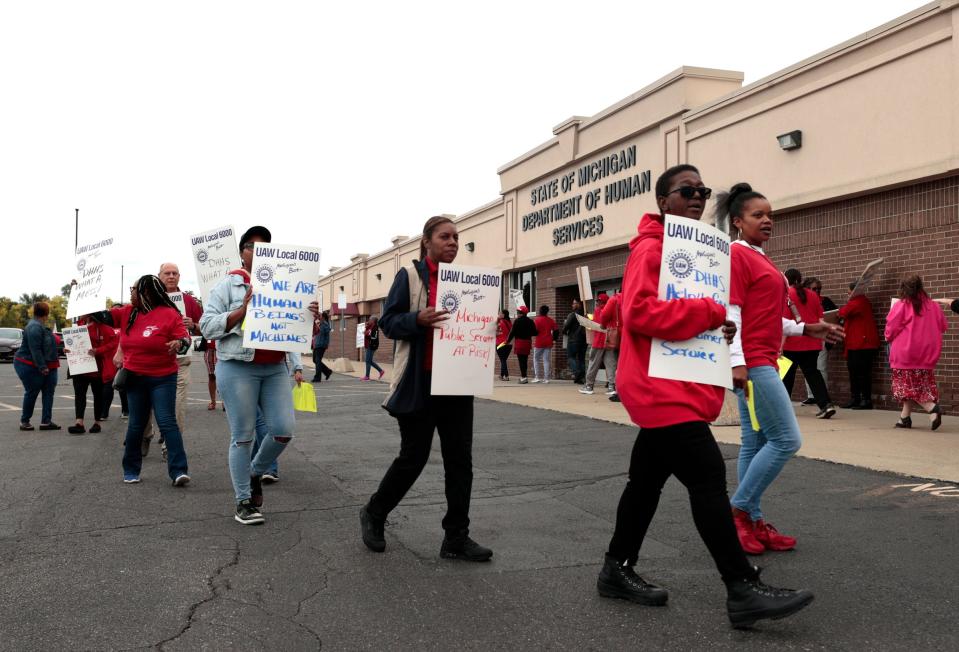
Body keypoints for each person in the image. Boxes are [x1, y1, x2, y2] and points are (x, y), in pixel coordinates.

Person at [599, 165, 813, 629]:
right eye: (686, 190)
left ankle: (615, 569)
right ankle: (741, 588)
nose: (697, 196)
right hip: (659, 387)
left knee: (645, 483)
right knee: (707, 477)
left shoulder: (691, 252)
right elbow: (638, 312)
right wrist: (709, 312)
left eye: (702, 190)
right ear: (664, 201)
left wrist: (719, 325)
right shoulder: (653, 248)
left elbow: (694, 312)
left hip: (677, 382)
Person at [359, 215, 492, 562]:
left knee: (460, 461)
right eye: (445, 236)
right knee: (413, 458)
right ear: (426, 241)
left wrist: (484, 331)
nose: (452, 242)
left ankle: (456, 537)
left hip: (457, 382)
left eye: (456, 238)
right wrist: (415, 320)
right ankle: (374, 512)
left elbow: (474, 325)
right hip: (421, 383)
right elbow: (388, 322)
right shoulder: (411, 276)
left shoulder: (467, 282)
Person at [722, 183, 844, 556]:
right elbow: (732, 313)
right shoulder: (737, 255)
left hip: (763, 357)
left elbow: (768, 318)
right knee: (787, 440)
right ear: (738, 221)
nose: (768, 220)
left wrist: (807, 327)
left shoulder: (760, 256)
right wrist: (737, 362)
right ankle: (738, 514)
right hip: (755, 364)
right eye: (758, 215)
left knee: (756, 442)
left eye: (770, 214)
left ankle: (752, 519)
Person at [199, 225, 320, 525]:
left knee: (283, 429)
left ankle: (254, 472)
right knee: (242, 436)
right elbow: (206, 326)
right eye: (253, 246)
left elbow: (295, 333)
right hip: (238, 366)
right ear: (242, 253)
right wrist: (242, 310)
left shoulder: (289, 283)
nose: (260, 251)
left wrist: (311, 321)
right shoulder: (228, 285)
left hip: (274, 367)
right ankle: (243, 501)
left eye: (266, 246)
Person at [112, 275, 191, 486]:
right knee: (136, 424)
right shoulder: (127, 312)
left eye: (134, 288)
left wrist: (179, 343)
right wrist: (79, 296)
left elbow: (185, 339)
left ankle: (178, 471)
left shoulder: (169, 313)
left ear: (146, 293)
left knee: (166, 422)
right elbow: (102, 316)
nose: (131, 292)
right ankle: (130, 469)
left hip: (163, 377)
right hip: (135, 377)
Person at [885, 275, 947, 430]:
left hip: (906, 353)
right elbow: (943, 326)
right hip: (927, 354)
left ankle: (932, 408)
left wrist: (888, 337)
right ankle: (904, 418)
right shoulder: (933, 306)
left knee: (906, 388)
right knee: (917, 385)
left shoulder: (902, 305)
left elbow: (890, 330)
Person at [781, 269, 836, 419]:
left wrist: (780, 346)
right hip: (812, 341)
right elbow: (820, 318)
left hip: (793, 342)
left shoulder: (787, 295)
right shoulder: (813, 295)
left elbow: (786, 324)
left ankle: (782, 408)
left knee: (787, 376)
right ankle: (826, 405)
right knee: (813, 373)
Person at [13, 302, 61, 431]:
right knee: (32, 392)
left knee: (48, 392)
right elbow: (36, 350)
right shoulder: (34, 327)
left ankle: (46, 421)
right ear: (46, 313)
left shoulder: (38, 325)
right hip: (28, 364)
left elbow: (45, 345)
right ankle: (24, 421)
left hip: (43, 364)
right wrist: (42, 367)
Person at [66, 314, 117, 434]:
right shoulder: (78, 325)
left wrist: (98, 350)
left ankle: (97, 422)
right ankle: (79, 422)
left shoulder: (104, 328)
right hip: (79, 367)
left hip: (96, 367)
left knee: (98, 395)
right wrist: (67, 349)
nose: (80, 314)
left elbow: (114, 343)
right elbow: (71, 344)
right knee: (79, 395)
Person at [838, 283, 879, 409]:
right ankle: (856, 398)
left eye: (849, 292)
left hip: (862, 344)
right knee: (855, 372)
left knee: (861, 373)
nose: (848, 295)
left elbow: (842, 312)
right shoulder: (860, 301)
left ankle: (865, 400)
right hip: (857, 343)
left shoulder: (859, 301)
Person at [800, 278, 837, 406]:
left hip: (821, 338)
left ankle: (822, 396)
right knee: (808, 368)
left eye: (819, 289)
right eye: (814, 289)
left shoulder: (825, 301)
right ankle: (811, 395)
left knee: (820, 368)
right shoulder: (802, 301)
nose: (817, 291)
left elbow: (835, 316)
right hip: (806, 337)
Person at [579, 293, 618, 396]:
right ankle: (611, 386)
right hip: (609, 340)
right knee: (611, 364)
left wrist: (587, 320)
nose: (597, 302)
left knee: (593, 364)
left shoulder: (599, 310)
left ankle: (589, 386)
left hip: (599, 341)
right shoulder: (614, 310)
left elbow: (598, 324)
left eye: (598, 301)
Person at [598, 291, 622, 401]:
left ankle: (617, 388)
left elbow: (604, 315)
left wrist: (603, 325)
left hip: (617, 336)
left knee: (614, 362)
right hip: (633, 335)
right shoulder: (636, 295)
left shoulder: (615, 299)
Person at [506, 305, 536, 383]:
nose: (517, 313)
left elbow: (512, 332)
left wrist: (507, 341)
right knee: (525, 360)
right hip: (527, 342)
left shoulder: (517, 321)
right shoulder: (531, 321)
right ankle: (524, 376)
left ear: (521, 313)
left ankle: (523, 377)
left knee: (521, 360)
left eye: (518, 312)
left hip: (519, 342)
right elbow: (535, 332)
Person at [562, 299, 586, 384]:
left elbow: (566, 326)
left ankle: (577, 373)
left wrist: (564, 331)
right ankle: (581, 377)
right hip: (583, 340)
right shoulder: (586, 315)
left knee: (571, 357)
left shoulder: (573, 315)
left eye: (574, 303)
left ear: (579, 304)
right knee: (581, 359)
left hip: (573, 340)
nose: (572, 305)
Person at [532, 305, 557, 383]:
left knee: (536, 359)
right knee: (546, 360)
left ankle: (537, 377)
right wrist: (554, 339)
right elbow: (556, 331)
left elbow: (534, 331)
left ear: (540, 311)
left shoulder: (536, 320)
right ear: (547, 311)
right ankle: (546, 378)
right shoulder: (551, 320)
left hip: (539, 342)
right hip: (548, 341)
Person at [311, 311, 333, 382]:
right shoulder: (319, 323)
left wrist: (319, 322)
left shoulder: (325, 324)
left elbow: (323, 331)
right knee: (315, 360)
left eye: (320, 316)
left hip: (321, 345)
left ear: (323, 317)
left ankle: (317, 377)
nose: (318, 317)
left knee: (317, 360)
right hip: (316, 344)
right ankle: (327, 371)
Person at [362, 316, 385, 381]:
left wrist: (366, 335)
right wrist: (366, 328)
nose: (368, 320)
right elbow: (367, 332)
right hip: (368, 345)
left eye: (370, 319)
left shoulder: (375, 327)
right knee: (369, 361)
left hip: (371, 346)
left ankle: (367, 376)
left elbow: (374, 337)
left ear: (373, 321)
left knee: (367, 361)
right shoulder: (370, 326)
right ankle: (381, 371)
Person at [495, 309, 512, 381]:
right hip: (509, 344)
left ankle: (506, 376)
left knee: (502, 360)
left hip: (500, 343)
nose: (498, 314)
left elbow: (495, 332)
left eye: (500, 313)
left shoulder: (500, 323)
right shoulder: (509, 322)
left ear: (503, 315)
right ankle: (501, 375)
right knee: (503, 360)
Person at [203, 339, 219, 409]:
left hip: (221, 349)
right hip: (209, 349)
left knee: (222, 377)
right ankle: (213, 402)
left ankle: (225, 403)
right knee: (211, 376)